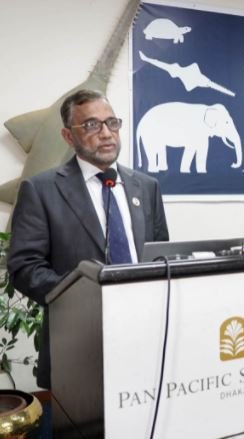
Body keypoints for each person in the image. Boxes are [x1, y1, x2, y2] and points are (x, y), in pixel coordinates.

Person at [7, 89, 169, 389]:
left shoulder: (147, 187)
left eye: (112, 123)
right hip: (78, 341)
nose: (106, 134)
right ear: (68, 136)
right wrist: (85, 297)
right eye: (92, 125)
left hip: (146, 336)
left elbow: (161, 256)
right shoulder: (41, 190)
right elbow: (25, 268)